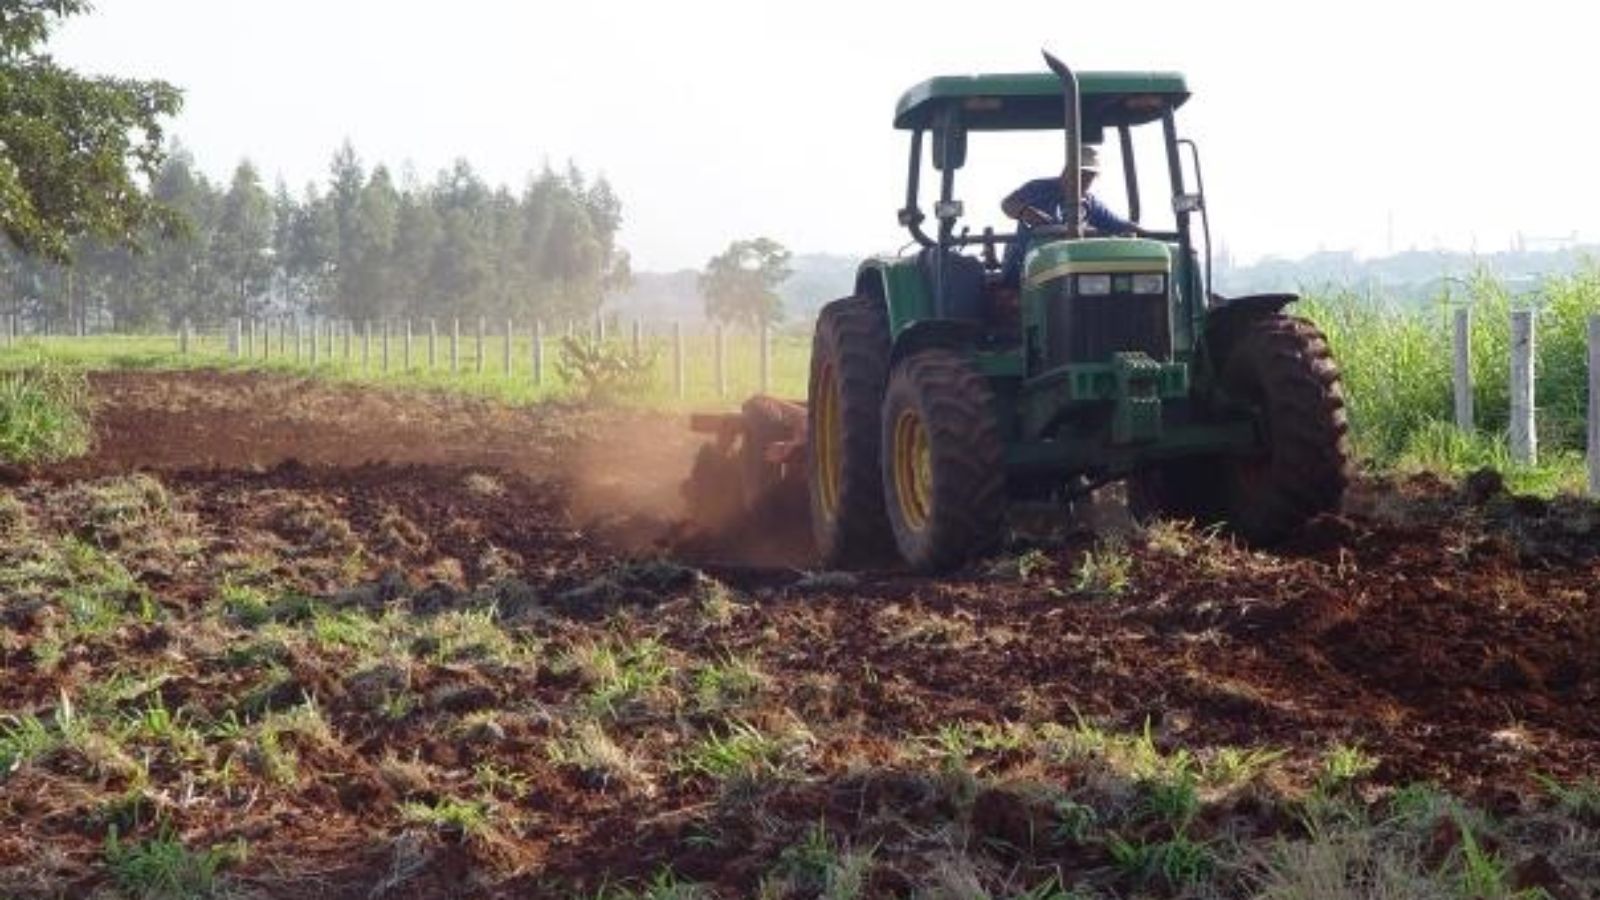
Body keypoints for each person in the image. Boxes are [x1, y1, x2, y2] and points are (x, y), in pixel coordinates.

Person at [998, 144, 1138, 286]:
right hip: (1029, 264)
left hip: (1071, 267)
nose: (1082, 180)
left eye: (1088, 177)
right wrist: (1024, 211)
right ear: (1066, 170)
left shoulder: (1090, 203)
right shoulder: (1037, 188)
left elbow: (1119, 225)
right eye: (1079, 173)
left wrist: (1142, 232)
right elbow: (1007, 204)